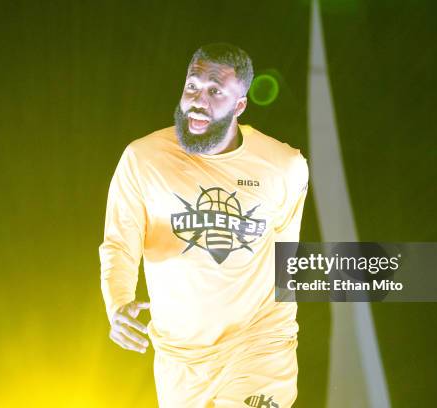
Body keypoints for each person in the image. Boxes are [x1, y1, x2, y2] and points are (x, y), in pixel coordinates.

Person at [99, 42, 309, 408]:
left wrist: (277, 337)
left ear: (240, 105)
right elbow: (119, 243)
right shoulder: (142, 159)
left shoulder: (285, 165)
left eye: (215, 91)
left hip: (258, 345)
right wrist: (117, 303)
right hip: (180, 360)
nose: (198, 99)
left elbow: (286, 261)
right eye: (192, 86)